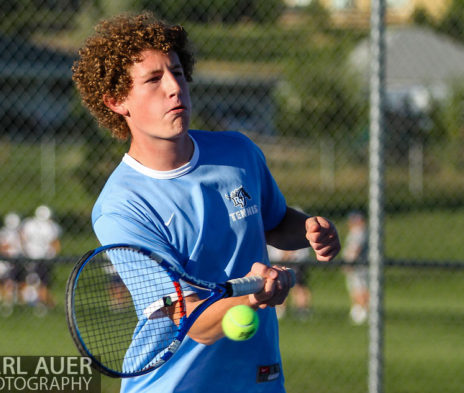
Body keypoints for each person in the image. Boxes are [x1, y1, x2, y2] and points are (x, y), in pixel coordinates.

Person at [71, 12, 340, 393]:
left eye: (177, 73)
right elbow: (192, 319)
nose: (174, 88)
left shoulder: (238, 153)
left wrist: (311, 231)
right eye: (153, 79)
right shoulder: (122, 206)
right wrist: (254, 294)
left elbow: (276, 223)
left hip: (258, 381)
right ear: (116, 102)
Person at [20, 205, 61, 311]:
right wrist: (52, 256)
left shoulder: (29, 224)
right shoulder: (50, 226)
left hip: (29, 256)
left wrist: (25, 250)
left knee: (30, 280)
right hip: (43, 257)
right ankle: (42, 303)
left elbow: (22, 238)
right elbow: (55, 244)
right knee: (43, 282)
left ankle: (28, 302)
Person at [267, 244, 312, 320]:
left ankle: (302, 310)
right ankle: (279, 309)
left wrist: (286, 256)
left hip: (295, 261)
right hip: (277, 261)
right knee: (278, 285)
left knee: (299, 286)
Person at [342, 211, 369, 325]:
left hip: (358, 267)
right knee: (356, 288)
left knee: (359, 289)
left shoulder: (358, 233)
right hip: (358, 266)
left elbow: (355, 249)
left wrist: (349, 263)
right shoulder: (356, 232)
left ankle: (362, 312)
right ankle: (359, 311)